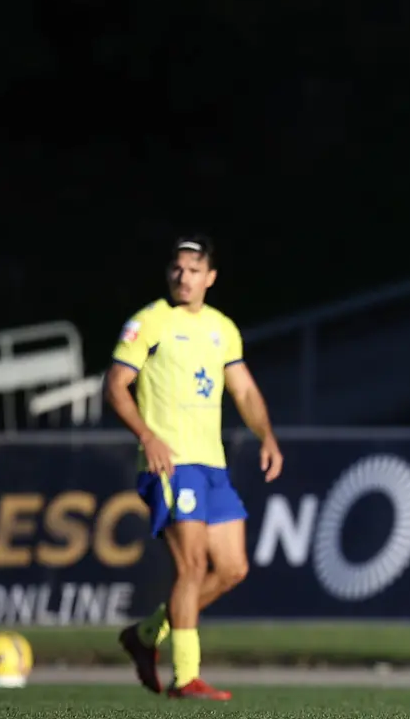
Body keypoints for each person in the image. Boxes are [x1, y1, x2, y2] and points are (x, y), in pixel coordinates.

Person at [105, 235, 284, 699]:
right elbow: (116, 385)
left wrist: (266, 436)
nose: (183, 277)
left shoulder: (222, 328)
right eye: (177, 269)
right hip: (170, 463)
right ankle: (186, 677)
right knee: (192, 565)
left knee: (232, 568)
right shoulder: (149, 322)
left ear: (211, 277)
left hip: (212, 465)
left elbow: (244, 390)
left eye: (194, 270)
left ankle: (146, 635)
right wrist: (147, 436)